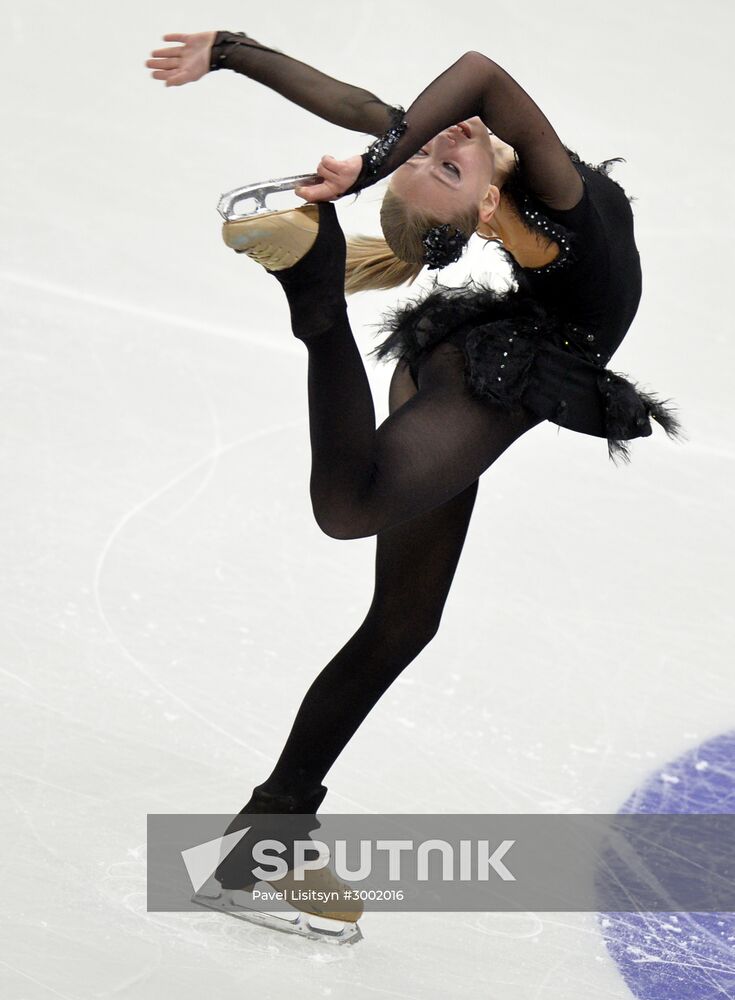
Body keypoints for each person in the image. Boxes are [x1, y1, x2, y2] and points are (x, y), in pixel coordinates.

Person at [146, 30, 684, 917]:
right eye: (440, 163)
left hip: (469, 352)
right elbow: (480, 70)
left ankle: (264, 838)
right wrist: (366, 173)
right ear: (484, 213)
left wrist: (234, 51)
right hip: (502, 371)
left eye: (430, 151)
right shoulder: (553, 193)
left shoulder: (496, 170)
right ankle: (316, 299)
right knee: (348, 507)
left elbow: (368, 111)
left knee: (401, 623)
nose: (444, 139)